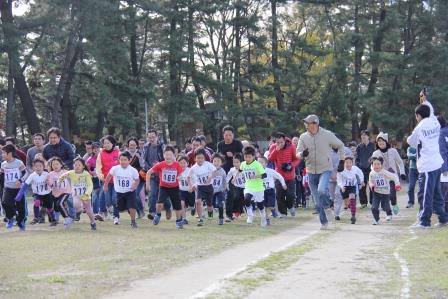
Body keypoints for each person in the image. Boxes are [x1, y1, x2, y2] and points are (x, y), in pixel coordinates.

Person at [407, 92, 448, 228]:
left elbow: (410, 141)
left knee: (427, 194)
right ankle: (443, 218)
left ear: (418, 116)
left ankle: (425, 221)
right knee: (437, 194)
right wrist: (424, 99)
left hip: (427, 166)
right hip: (437, 164)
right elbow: (430, 109)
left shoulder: (419, 128)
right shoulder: (435, 121)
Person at [297, 114, 345, 229]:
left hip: (325, 169)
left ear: (315, 124)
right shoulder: (303, 137)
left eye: (308, 123)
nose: (306, 125)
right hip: (310, 170)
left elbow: (340, 145)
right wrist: (302, 154)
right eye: (306, 123)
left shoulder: (327, 134)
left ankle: (328, 207)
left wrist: (342, 161)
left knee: (321, 190)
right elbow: (297, 153)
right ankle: (324, 223)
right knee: (317, 203)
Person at [146, 146, 185, 229]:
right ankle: (158, 215)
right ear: (164, 155)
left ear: (173, 156)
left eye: (170, 155)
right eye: (166, 155)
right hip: (163, 187)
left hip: (174, 188)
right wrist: (147, 184)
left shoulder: (177, 165)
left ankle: (179, 221)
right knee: (159, 203)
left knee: (177, 205)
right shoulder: (161, 164)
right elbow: (149, 172)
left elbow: (181, 174)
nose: (168, 157)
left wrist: (180, 178)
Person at [372, 132, 406, 215]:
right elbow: (372, 166)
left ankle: (394, 205)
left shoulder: (393, 151)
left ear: (386, 141)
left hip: (392, 177)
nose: (381, 142)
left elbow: (400, 162)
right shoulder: (375, 153)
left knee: (392, 196)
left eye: (382, 141)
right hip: (381, 178)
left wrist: (402, 173)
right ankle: (388, 212)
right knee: (384, 197)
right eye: (379, 141)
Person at [105, 151, 140, 228]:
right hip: (119, 192)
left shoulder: (133, 170)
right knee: (120, 208)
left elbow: (137, 180)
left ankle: (133, 221)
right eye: (121, 160)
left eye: (125, 160)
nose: (123, 162)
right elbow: (108, 176)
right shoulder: (115, 169)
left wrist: (135, 185)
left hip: (130, 192)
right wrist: (106, 185)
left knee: (132, 206)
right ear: (119, 160)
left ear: (129, 160)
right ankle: (128, 208)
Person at [60, 157, 96, 231]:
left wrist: (87, 193)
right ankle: (75, 214)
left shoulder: (86, 174)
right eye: (75, 165)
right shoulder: (71, 173)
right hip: (76, 195)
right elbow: (62, 176)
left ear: (83, 166)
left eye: (79, 165)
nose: (77, 166)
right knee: (76, 205)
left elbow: (90, 185)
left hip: (85, 196)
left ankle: (93, 222)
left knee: (89, 211)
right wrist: (59, 181)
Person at [16, 159, 56, 226]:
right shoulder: (32, 175)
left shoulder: (47, 174)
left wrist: (50, 183)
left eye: (40, 166)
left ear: (43, 167)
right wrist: (19, 195)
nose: (38, 168)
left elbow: (52, 184)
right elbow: (25, 185)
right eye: (36, 166)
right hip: (37, 193)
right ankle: (36, 218)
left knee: (49, 207)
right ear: (33, 167)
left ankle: (53, 220)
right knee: (37, 202)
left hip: (47, 194)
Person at [268, 132, 299, 218]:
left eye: (281, 142)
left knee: (290, 194)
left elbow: (297, 159)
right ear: (275, 141)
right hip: (278, 175)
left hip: (290, 176)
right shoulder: (273, 147)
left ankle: (290, 206)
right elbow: (270, 159)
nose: (280, 144)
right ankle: (283, 213)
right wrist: (276, 150)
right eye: (277, 142)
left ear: (284, 140)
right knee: (279, 194)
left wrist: (291, 165)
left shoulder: (292, 146)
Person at [187, 148, 217, 226]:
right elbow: (188, 177)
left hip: (209, 187)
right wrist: (190, 186)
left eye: (202, 158)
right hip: (200, 187)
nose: (200, 160)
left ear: (204, 158)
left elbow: (215, 172)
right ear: (195, 158)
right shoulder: (193, 168)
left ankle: (210, 213)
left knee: (209, 205)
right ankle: (200, 218)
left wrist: (210, 178)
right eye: (198, 158)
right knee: (198, 201)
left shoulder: (208, 164)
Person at [1, 144, 28, 230]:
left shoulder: (18, 162)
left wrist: (20, 180)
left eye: (4, 153)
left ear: (10, 153)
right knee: (5, 202)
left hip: (18, 189)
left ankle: (21, 222)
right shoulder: (3, 164)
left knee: (21, 207)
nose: (2, 155)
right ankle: (11, 217)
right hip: (8, 188)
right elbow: (2, 175)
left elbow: (26, 173)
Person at [240, 146, 267, 227]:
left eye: (249, 157)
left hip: (258, 187)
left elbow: (264, 175)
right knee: (246, 199)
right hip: (248, 186)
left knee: (260, 205)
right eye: (245, 157)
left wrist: (256, 176)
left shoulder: (257, 164)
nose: (247, 158)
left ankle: (263, 217)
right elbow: (240, 171)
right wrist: (235, 178)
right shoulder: (243, 164)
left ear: (253, 156)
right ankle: (250, 215)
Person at [142, 129, 166, 220]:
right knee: (152, 193)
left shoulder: (162, 146)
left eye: (153, 137)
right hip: (151, 174)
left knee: (164, 194)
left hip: (162, 173)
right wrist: (150, 169)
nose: (151, 139)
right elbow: (143, 161)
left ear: (157, 137)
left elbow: (166, 158)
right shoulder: (146, 147)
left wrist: (158, 167)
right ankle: (152, 212)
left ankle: (167, 208)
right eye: (149, 137)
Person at [96, 135, 120, 225]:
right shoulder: (101, 154)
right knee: (107, 200)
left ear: (112, 143)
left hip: (116, 181)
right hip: (105, 180)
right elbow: (98, 167)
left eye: (108, 143)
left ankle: (116, 217)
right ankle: (107, 212)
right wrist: (101, 176)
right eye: (104, 143)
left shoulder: (118, 152)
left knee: (114, 199)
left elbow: (122, 165)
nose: (106, 145)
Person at [369, 157, 401, 225]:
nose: (376, 166)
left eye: (378, 164)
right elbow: (370, 181)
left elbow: (394, 177)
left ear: (381, 165)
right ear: (372, 165)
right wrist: (371, 185)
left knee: (385, 207)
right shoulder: (371, 173)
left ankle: (389, 214)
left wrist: (397, 185)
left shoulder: (384, 172)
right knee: (374, 207)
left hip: (385, 193)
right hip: (376, 193)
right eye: (375, 164)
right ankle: (376, 220)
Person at [25, 133, 47, 223]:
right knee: (36, 199)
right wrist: (32, 172)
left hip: (46, 177)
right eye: (35, 139)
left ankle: (43, 216)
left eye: (39, 139)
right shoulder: (30, 151)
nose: (37, 140)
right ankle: (37, 217)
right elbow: (28, 163)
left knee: (46, 198)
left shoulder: (47, 149)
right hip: (35, 177)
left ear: (43, 140)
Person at [258, 157, 286, 225]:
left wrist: (283, 184)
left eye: (262, 162)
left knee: (270, 206)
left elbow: (279, 176)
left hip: (270, 190)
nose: (260, 164)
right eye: (258, 162)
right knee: (263, 206)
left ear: (266, 164)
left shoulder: (270, 171)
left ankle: (273, 210)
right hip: (261, 191)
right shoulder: (256, 172)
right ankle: (266, 219)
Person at [337, 157, 364, 224]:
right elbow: (339, 180)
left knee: (352, 198)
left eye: (350, 163)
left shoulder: (355, 169)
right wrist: (342, 187)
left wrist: (360, 182)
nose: (348, 164)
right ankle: (338, 212)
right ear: (344, 163)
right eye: (346, 163)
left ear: (352, 163)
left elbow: (360, 174)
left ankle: (353, 216)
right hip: (344, 188)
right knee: (347, 204)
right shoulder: (341, 170)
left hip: (352, 186)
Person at [126, 137, 146, 219]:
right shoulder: (125, 154)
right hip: (128, 178)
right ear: (128, 145)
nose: (132, 146)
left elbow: (143, 165)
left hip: (139, 178)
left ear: (136, 145)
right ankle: (138, 212)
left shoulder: (140, 153)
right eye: (130, 145)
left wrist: (140, 158)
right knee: (131, 195)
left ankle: (141, 212)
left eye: (134, 145)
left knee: (135, 194)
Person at [355, 130, 375, 207]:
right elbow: (357, 158)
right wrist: (358, 166)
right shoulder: (359, 147)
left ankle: (373, 202)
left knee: (372, 185)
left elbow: (376, 156)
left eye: (365, 135)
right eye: (362, 135)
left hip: (371, 168)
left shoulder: (373, 146)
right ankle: (363, 203)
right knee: (362, 186)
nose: (363, 137)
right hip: (361, 169)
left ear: (368, 137)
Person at [86, 142, 103, 221]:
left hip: (103, 179)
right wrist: (91, 172)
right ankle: (95, 213)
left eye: (97, 148)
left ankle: (102, 211)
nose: (96, 150)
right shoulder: (90, 160)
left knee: (102, 196)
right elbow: (87, 170)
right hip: (94, 180)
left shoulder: (104, 157)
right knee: (95, 196)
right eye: (94, 148)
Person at [226, 154, 246, 220]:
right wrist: (226, 183)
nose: (235, 164)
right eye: (234, 162)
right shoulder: (232, 169)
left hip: (245, 187)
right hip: (237, 187)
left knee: (243, 200)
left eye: (237, 162)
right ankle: (235, 213)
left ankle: (246, 210)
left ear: (241, 162)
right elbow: (228, 177)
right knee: (235, 198)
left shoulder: (244, 169)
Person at [178, 155, 194, 224]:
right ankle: (184, 219)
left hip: (190, 191)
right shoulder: (177, 171)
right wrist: (177, 179)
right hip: (181, 190)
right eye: (181, 163)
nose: (182, 164)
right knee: (182, 204)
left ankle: (192, 208)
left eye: (184, 163)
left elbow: (195, 180)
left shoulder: (190, 171)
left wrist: (192, 187)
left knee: (191, 205)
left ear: (187, 163)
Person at [211, 153, 227, 225]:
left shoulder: (222, 171)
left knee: (220, 204)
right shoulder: (210, 170)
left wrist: (225, 188)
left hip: (220, 191)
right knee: (212, 204)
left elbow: (224, 180)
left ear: (221, 162)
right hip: (211, 191)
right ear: (212, 162)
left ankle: (221, 218)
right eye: (215, 161)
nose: (216, 163)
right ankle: (210, 213)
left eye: (218, 161)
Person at [438, 115, 448, 211]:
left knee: (444, 191)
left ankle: (445, 214)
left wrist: (444, 169)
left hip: (445, 166)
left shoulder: (441, 133)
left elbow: (442, 152)